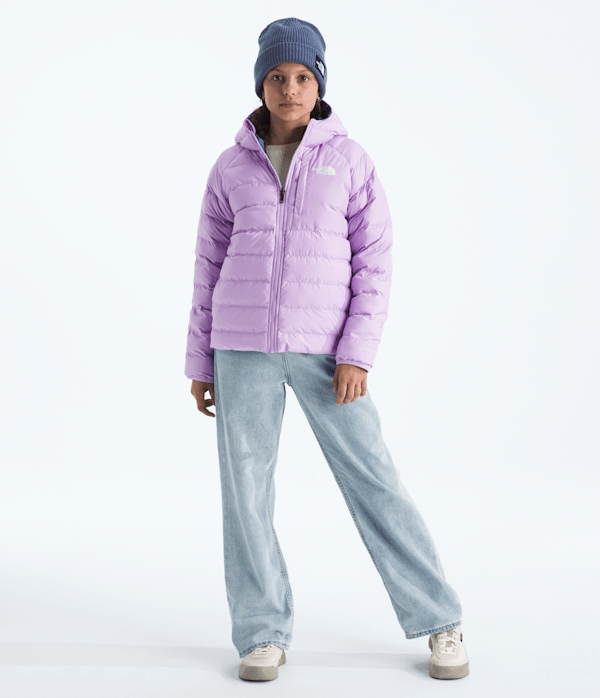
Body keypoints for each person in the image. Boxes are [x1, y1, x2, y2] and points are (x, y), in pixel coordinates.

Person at [184, 17, 469, 682]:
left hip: (328, 354)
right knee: (245, 493)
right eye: (277, 77)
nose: (289, 88)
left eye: (302, 77)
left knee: (374, 480)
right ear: (260, 85)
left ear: (319, 85)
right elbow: (207, 266)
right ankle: (261, 632)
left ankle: (440, 619)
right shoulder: (230, 166)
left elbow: (375, 262)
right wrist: (200, 361)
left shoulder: (350, 160)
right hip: (241, 348)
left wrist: (357, 354)